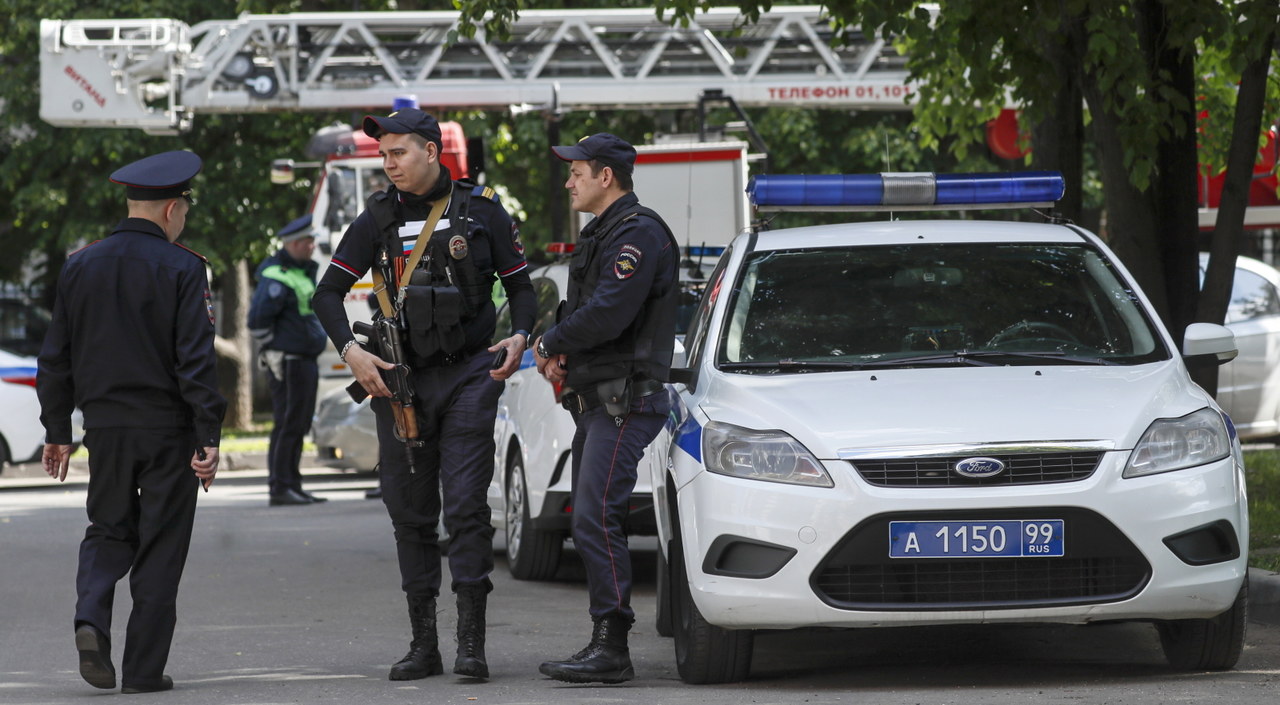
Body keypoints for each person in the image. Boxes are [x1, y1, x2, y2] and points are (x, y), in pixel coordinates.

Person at [312, 107, 535, 681]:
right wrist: (352, 354)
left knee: (464, 508)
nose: (388, 165)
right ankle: (423, 644)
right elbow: (327, 294)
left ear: (432, 152)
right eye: (383, 155)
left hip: (467, 377)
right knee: (409, 515)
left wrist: (519, 335)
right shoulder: (376, 217)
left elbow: (521, 290)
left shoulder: (482, 211)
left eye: (398, 153)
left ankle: (470, 644)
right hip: (401, 382)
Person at [36, 150, 226, 694]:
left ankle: (91, 619)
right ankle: (143, 671)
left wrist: (57, 430)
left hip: (106, 429)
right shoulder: (185, 267)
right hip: (168, 431)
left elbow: (57, 358)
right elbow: (195, 360)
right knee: (162, 545)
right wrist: (207, 435)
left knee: (107, 528)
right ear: (171, 210)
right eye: (184, 209)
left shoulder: (80, 264)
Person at [533, 133, 679, 684]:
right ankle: (605, 642)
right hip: (600, 401)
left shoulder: (637, 234)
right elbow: (590, 315)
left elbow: (609, 315)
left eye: (577, 172)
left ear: (606, 177)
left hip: (625, 402)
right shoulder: (606, 234)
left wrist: (550, 345)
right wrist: (561, 355)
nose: (569, 181)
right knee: (591, 517)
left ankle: (611, 647)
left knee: (595, 517)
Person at [248, 213, 329, 506]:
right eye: (308, 241)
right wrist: (276, 351)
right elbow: (256, 323)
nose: (312, 246)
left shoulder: (298, 273)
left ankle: (293, 484)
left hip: (303, 360)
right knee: (287, 423)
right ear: (294, 244)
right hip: (289, 361)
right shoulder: (276, 276)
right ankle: (280, 487)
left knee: (299, 423)